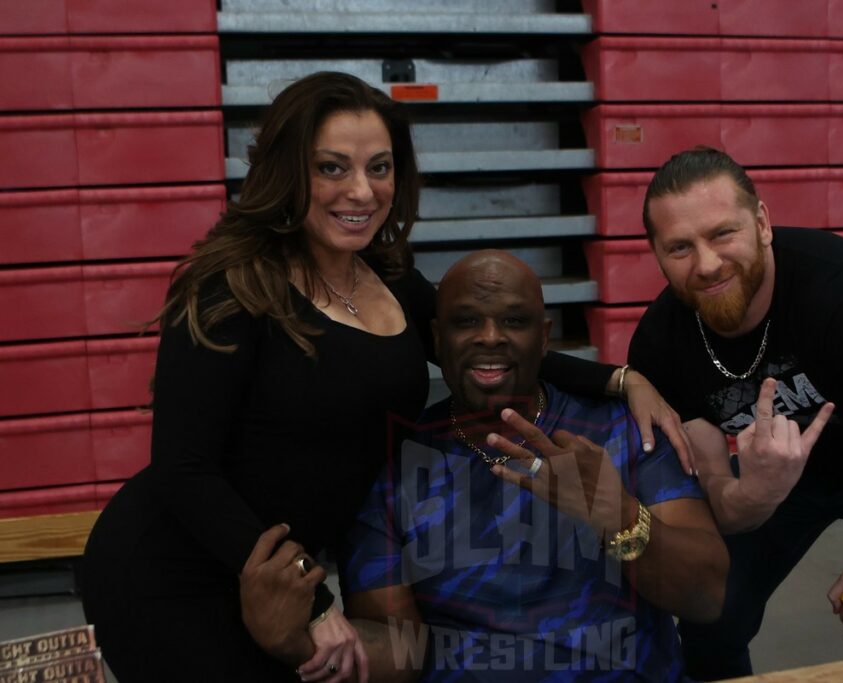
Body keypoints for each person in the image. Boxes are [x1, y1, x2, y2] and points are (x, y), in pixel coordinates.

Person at [78, 72, 684, 683]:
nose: (362, 191)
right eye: (333, 168)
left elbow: (491, 344)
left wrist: (620, 380)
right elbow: (185, 469)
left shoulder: (386, 277)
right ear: (289, 172)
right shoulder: (232, 287)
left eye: (380, 167)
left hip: (286, 580)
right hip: (176, 571)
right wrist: (313, 604)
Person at [246, 250, 729, 681]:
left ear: (544, 337)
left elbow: (706, 598)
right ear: (438, 339)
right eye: (466, 321)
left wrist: (621, 518)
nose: (490, 338)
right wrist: (295, 643)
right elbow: (402, 652)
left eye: (514, 321)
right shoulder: (395, 466)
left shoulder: (621, 428)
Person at [627, 147, 843, 680]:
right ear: (655, 253)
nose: (706, 264)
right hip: (778, 471)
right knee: (708, 617)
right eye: (679, 247)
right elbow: (721, 495)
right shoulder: (661, 343)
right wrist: (757, 491)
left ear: (762, 223)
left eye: (723, 233)